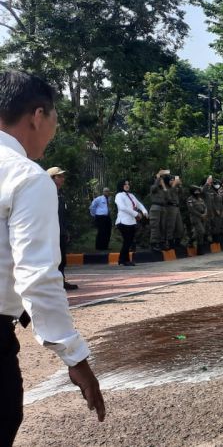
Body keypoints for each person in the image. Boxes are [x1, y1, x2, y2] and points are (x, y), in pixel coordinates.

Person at [1, 70, 106, 444]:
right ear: (38, 115)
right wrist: (75, 359)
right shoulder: (26, 177)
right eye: (55, 120)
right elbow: (37, 278)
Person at [47, 167, 77, 290]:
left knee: (62, 259)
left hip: (61, 231)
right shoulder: (47, 194)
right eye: (59, 176)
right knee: (51, 259)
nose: (62, 179)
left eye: (62, 176)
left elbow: (63, 215)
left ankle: (61, 281)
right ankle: (50, 284)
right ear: (52, 178)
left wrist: (66, 230)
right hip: (50, 232)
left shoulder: (60, 194)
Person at [114, 180, 146, 266]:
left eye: (128, 184)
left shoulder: (131, 195)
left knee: (128, 241)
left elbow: (138, 204)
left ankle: (123, 259)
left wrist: (144, 211)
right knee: (127, 241)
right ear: (121, 185)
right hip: (123, 221)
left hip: (131, 222)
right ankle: (124, 260)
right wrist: (136, 213)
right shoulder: (119, 195)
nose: (127, 186)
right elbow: (122, 207)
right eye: (125, 184)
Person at [147, 170, 170, 250]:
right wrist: (158, 178)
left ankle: (161, 243)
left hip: (163, 208)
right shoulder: (153, 187)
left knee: (163, 226)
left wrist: (164, 186)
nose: (161, 181)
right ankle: (154, 243)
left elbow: (168, 197)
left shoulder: (162, 189)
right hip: (155, 208)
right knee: (155, 226)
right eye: (160, 180)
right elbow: (154, 188)